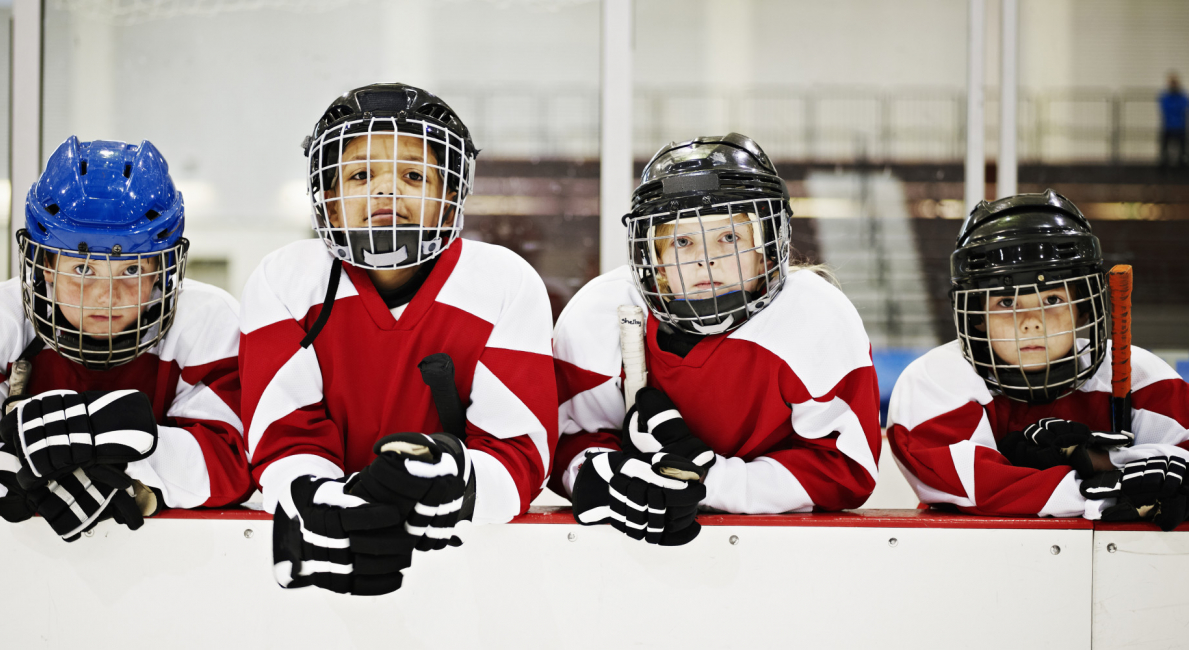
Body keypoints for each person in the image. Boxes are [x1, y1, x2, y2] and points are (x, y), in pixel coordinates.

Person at [241, 83, 556, 595]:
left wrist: (458, 482)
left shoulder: (504, 281)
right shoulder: (284, 280)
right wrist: (321, 502)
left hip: (469, 566)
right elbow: (284, 438)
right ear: (331, 200)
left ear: (450, 194)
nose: (386, 192)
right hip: (328, 553)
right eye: (361, 174)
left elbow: (519, 452)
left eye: (413, 175)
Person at [0, 136, 253, 541]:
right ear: (46, 264)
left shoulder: (208, 323)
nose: (105, 296)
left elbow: (236, 457)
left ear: (160, 270)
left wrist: (124, 473)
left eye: (131, 271)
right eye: (83, 269)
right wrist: (27, 481)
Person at [552, 133, 881, 546]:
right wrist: (610, 478)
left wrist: (710, 480)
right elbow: (570, 442)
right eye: (682, 241)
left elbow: (844, 471)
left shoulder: (816, 317)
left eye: (729, 237)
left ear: (766, 247)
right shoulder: (599, 312)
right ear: (653, 258)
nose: (707, 260)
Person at [887, 190, 1189, 531]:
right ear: (976, 316)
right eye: (1005, 302)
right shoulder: (937, 379)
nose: (1031, 320)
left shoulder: (1143, 378)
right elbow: (975, 486)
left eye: (1052, 298)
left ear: (1082, 309)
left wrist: (1101, 467)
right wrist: (1104, 479)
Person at [1159, 73, 1187, 168]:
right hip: (1168, 126)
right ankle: (1164, 160)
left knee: (1182, 146)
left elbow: (1184, 106)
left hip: (1180, 126)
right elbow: (1165, 108)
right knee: (1164, 145)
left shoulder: (1182, 96)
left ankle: (1182, 160)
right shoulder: (1165, 97)